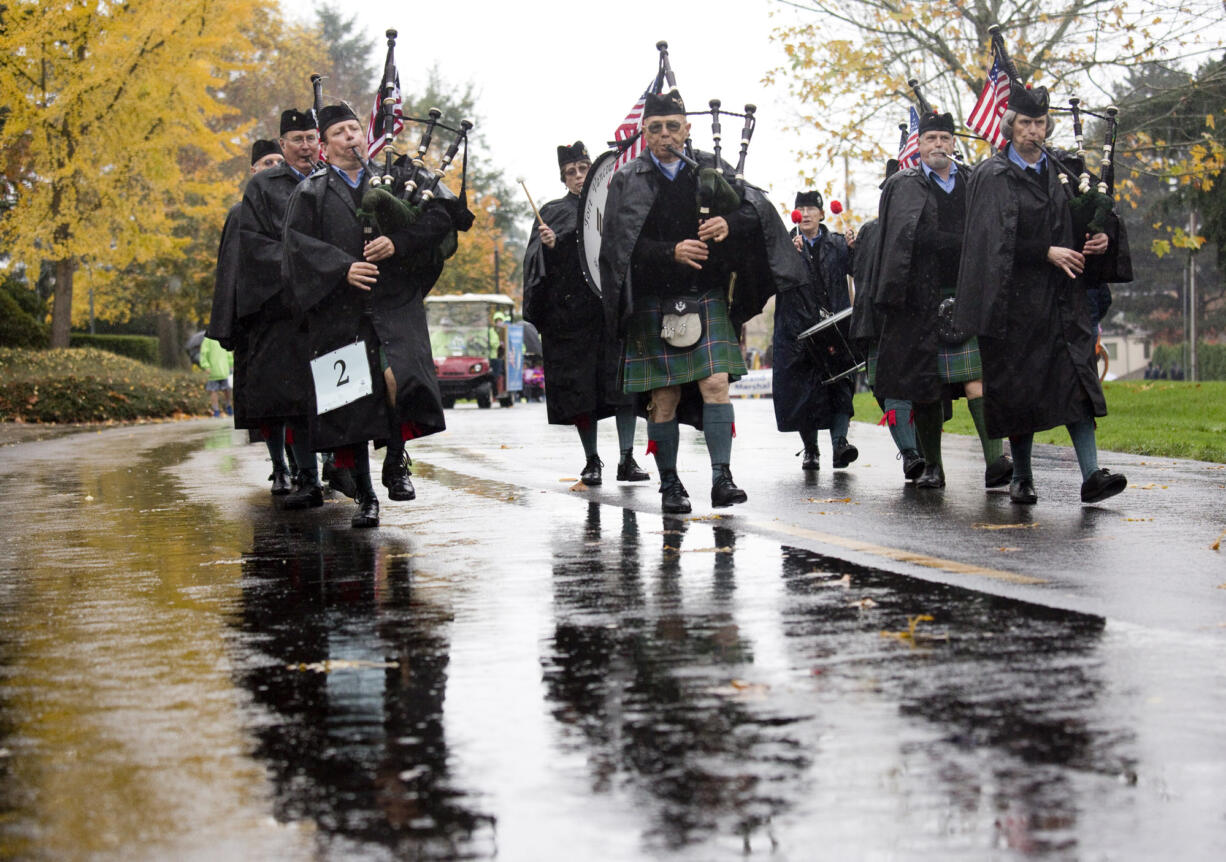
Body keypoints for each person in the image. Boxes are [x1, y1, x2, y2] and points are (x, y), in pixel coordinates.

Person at [599, 89, 804, 513]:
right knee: (666, 397)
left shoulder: (709, 170)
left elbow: (758, 211)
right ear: (643, 132)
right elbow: (618, 250)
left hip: (705, 295)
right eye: (655, 129)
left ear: (687, 129)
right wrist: (669, 251)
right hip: (655, 300)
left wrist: (729, 222)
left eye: (673, 126)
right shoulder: (628, 179)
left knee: (715, 385)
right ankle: (670, 484)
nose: (665, 135)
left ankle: (721, 478)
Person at [283, 103, 466, 527]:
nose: (350, 137)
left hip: (393, 303)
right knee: (352, 400)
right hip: (338, 311)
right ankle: (366, 496)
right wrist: (341, 267)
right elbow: (296, 248)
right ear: (325, 147)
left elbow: (444, 216)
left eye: (354, 129)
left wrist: (399, 242)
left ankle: (397, 460)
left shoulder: (399, 176)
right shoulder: (310, 192)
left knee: (399, 380)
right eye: (340, 133)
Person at [954, 81, 1128, 505]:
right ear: (1011, 126)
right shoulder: (992, 176)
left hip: (1064, 301)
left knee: (1077, 383)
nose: (1034, 130)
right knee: (1022, 392)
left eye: (1041, 122)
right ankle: (1023, 477)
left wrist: (1100, 237)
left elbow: (1089, 219)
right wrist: (1043, 251)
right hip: (1014, 304)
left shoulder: (1065, 171)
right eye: (1026, 123)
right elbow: (987, 242)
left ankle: (1092, 475)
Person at [872, 111, 1013, 490]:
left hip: (966, 294)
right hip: (920, 299)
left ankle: (995, 462)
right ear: (919, 145)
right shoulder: (903, 186)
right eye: (931, 138)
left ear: (954, 143)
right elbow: (898, 242)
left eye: (944, 139)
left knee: (977, 381)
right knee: (925, 386)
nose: (938, 145)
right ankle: (932, 466)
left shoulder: (971, 181)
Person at [522, 140, 649, 486]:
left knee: (623, 388)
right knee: (583, 394)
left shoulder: (614, 206)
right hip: (571, 319)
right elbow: (534, 265)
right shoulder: (550, 213)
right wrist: (547, 248)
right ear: (563, 179)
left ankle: (627, 458)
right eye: (571, 172)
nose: (578, 176)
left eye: (583, 169)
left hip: (611, 313)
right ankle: (592, 460)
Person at [237, 111, 325, 507]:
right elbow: (254, 244)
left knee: (335, 394)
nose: (305, 145)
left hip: (328, 304)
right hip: (285, 309)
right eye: (297, 139)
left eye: (311, 137)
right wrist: (301, 264)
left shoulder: (330, 179)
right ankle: (306, 476)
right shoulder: (262, 187)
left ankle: (345, 472)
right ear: (283, 144)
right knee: (295, 398)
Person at [849, 160, 926, 481]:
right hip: (880, 325)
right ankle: (911, 454)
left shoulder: (924, 230)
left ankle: (919, 453)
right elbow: (859, 274)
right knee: (888, 389)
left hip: (918, 321)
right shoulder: (870, 231)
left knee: (919, 392)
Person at [773, 190, 858, 471]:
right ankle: (811, 450)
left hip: (836, 327)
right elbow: (774, 279)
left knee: (842, 386)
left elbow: (858, 270)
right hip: (799, 330)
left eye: (811, 208)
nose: (806, 213)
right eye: (801, 208)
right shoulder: (785, 245)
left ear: (822, 213)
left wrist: (855, 248)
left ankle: (840, 444)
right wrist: (788, 255)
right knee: (804, 391)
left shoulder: (837, 243)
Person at [198, 335, 234, 417]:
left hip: (225, 369)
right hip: (213, 370)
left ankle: (228, 406)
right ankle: (216, 410)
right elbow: (204, 353)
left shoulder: (223, 336)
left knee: (227, 390)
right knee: (214, 391)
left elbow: (228, 351)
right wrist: (206, 365)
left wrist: (231, 363)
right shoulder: (208, 339)